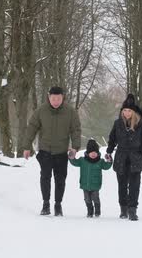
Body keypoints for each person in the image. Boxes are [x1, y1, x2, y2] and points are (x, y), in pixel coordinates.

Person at [23, 86, 81, 216]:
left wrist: (75, 147)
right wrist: (26, 146)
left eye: (58, 98)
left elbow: (76, 129)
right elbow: (32, 128)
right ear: (49, 97)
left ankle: (58, 205)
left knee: (60, 179)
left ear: (63, 98)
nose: (56, 101)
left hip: (61, 152)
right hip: (45, 151)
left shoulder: (70, 112)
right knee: (45, 177)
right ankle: (45, 204)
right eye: (53, 98)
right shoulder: (41, 111)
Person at [106, 94, 142, 221]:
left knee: (135, 185)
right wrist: (109, 151)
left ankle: (132, 210)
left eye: (129, 110)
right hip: (121, 157)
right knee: (122, 185)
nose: (127, 113)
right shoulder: (118, 123)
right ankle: (123, 209)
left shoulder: (140, 124)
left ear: (133, 112)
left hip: (136, 158)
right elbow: (112, 139)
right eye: (124, 110)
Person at [69, 139, 113, 218]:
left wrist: (109, 161)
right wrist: (72, 157)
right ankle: (90, 211)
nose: (93, 154)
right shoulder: (82, 160)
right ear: (87, 153)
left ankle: (97, 211)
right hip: (85, 184)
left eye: (95, 152)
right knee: (87, 199)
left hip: (95, 185)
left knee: (95, 199)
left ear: (97, 153)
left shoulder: (100, 161)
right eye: (91, 152)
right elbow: (74, 162)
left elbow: (106, 167)